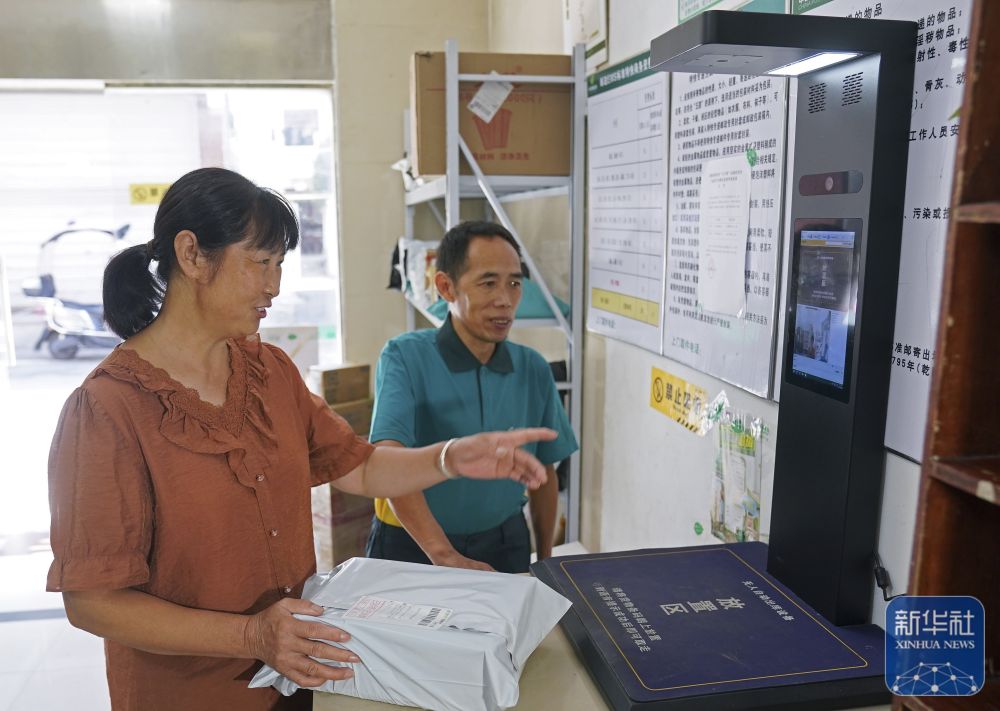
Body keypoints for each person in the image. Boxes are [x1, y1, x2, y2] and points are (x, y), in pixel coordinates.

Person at [46, 168, 556, 711]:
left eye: (280, 264)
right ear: (192, 255)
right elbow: (93, 602)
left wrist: (451, 457)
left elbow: (357, 467)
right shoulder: (108, 410)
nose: (275, 285)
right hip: (191, 694)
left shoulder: (269, 372)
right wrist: (251, 636)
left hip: (299, 678)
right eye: (260, 263)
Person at [365, 221, 578, 574]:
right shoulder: (404, 357)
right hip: (411, 543)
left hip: (504, 541)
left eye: (514, 283)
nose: (505, 300)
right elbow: (388, 459)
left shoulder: (532, 369)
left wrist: (545, 561)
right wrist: (443, 554)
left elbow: (544, 474)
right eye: (488, 283)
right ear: (446, 287)